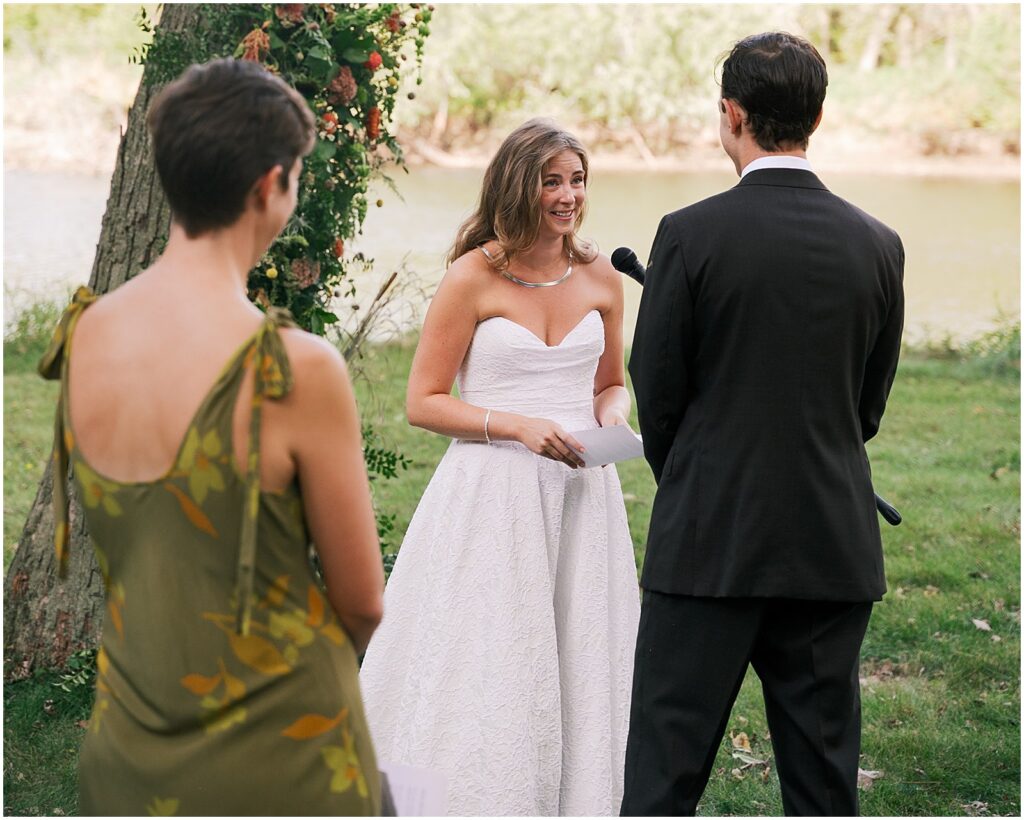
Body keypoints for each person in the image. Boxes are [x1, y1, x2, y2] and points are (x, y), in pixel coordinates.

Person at [41, 58, 385, 814]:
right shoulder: (291, 367)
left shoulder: (85, 334)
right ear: (270, 185)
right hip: (284, 760)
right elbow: (362, 602)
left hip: (128, 756)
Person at [622, 32, 905, 816]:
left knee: (662, 778)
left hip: (708, 543)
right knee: (822, 787)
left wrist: (701, 474)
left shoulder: (688, 234)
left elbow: (658, 390)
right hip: (829, 543)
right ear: (816, 116)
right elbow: (866, 408)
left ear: (730, 113)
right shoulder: (880, 245)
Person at [358, 118, 641, 816]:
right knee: (491, 649)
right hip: (493, 493)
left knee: (578, 645)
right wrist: (511, 424)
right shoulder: (471, 277)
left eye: (576, 180)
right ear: (518, 186)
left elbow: (610, 381)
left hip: (581, 491)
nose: (569, 195)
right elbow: (423, 402)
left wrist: (609, 415)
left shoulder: (603, 276)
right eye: (552, 181)